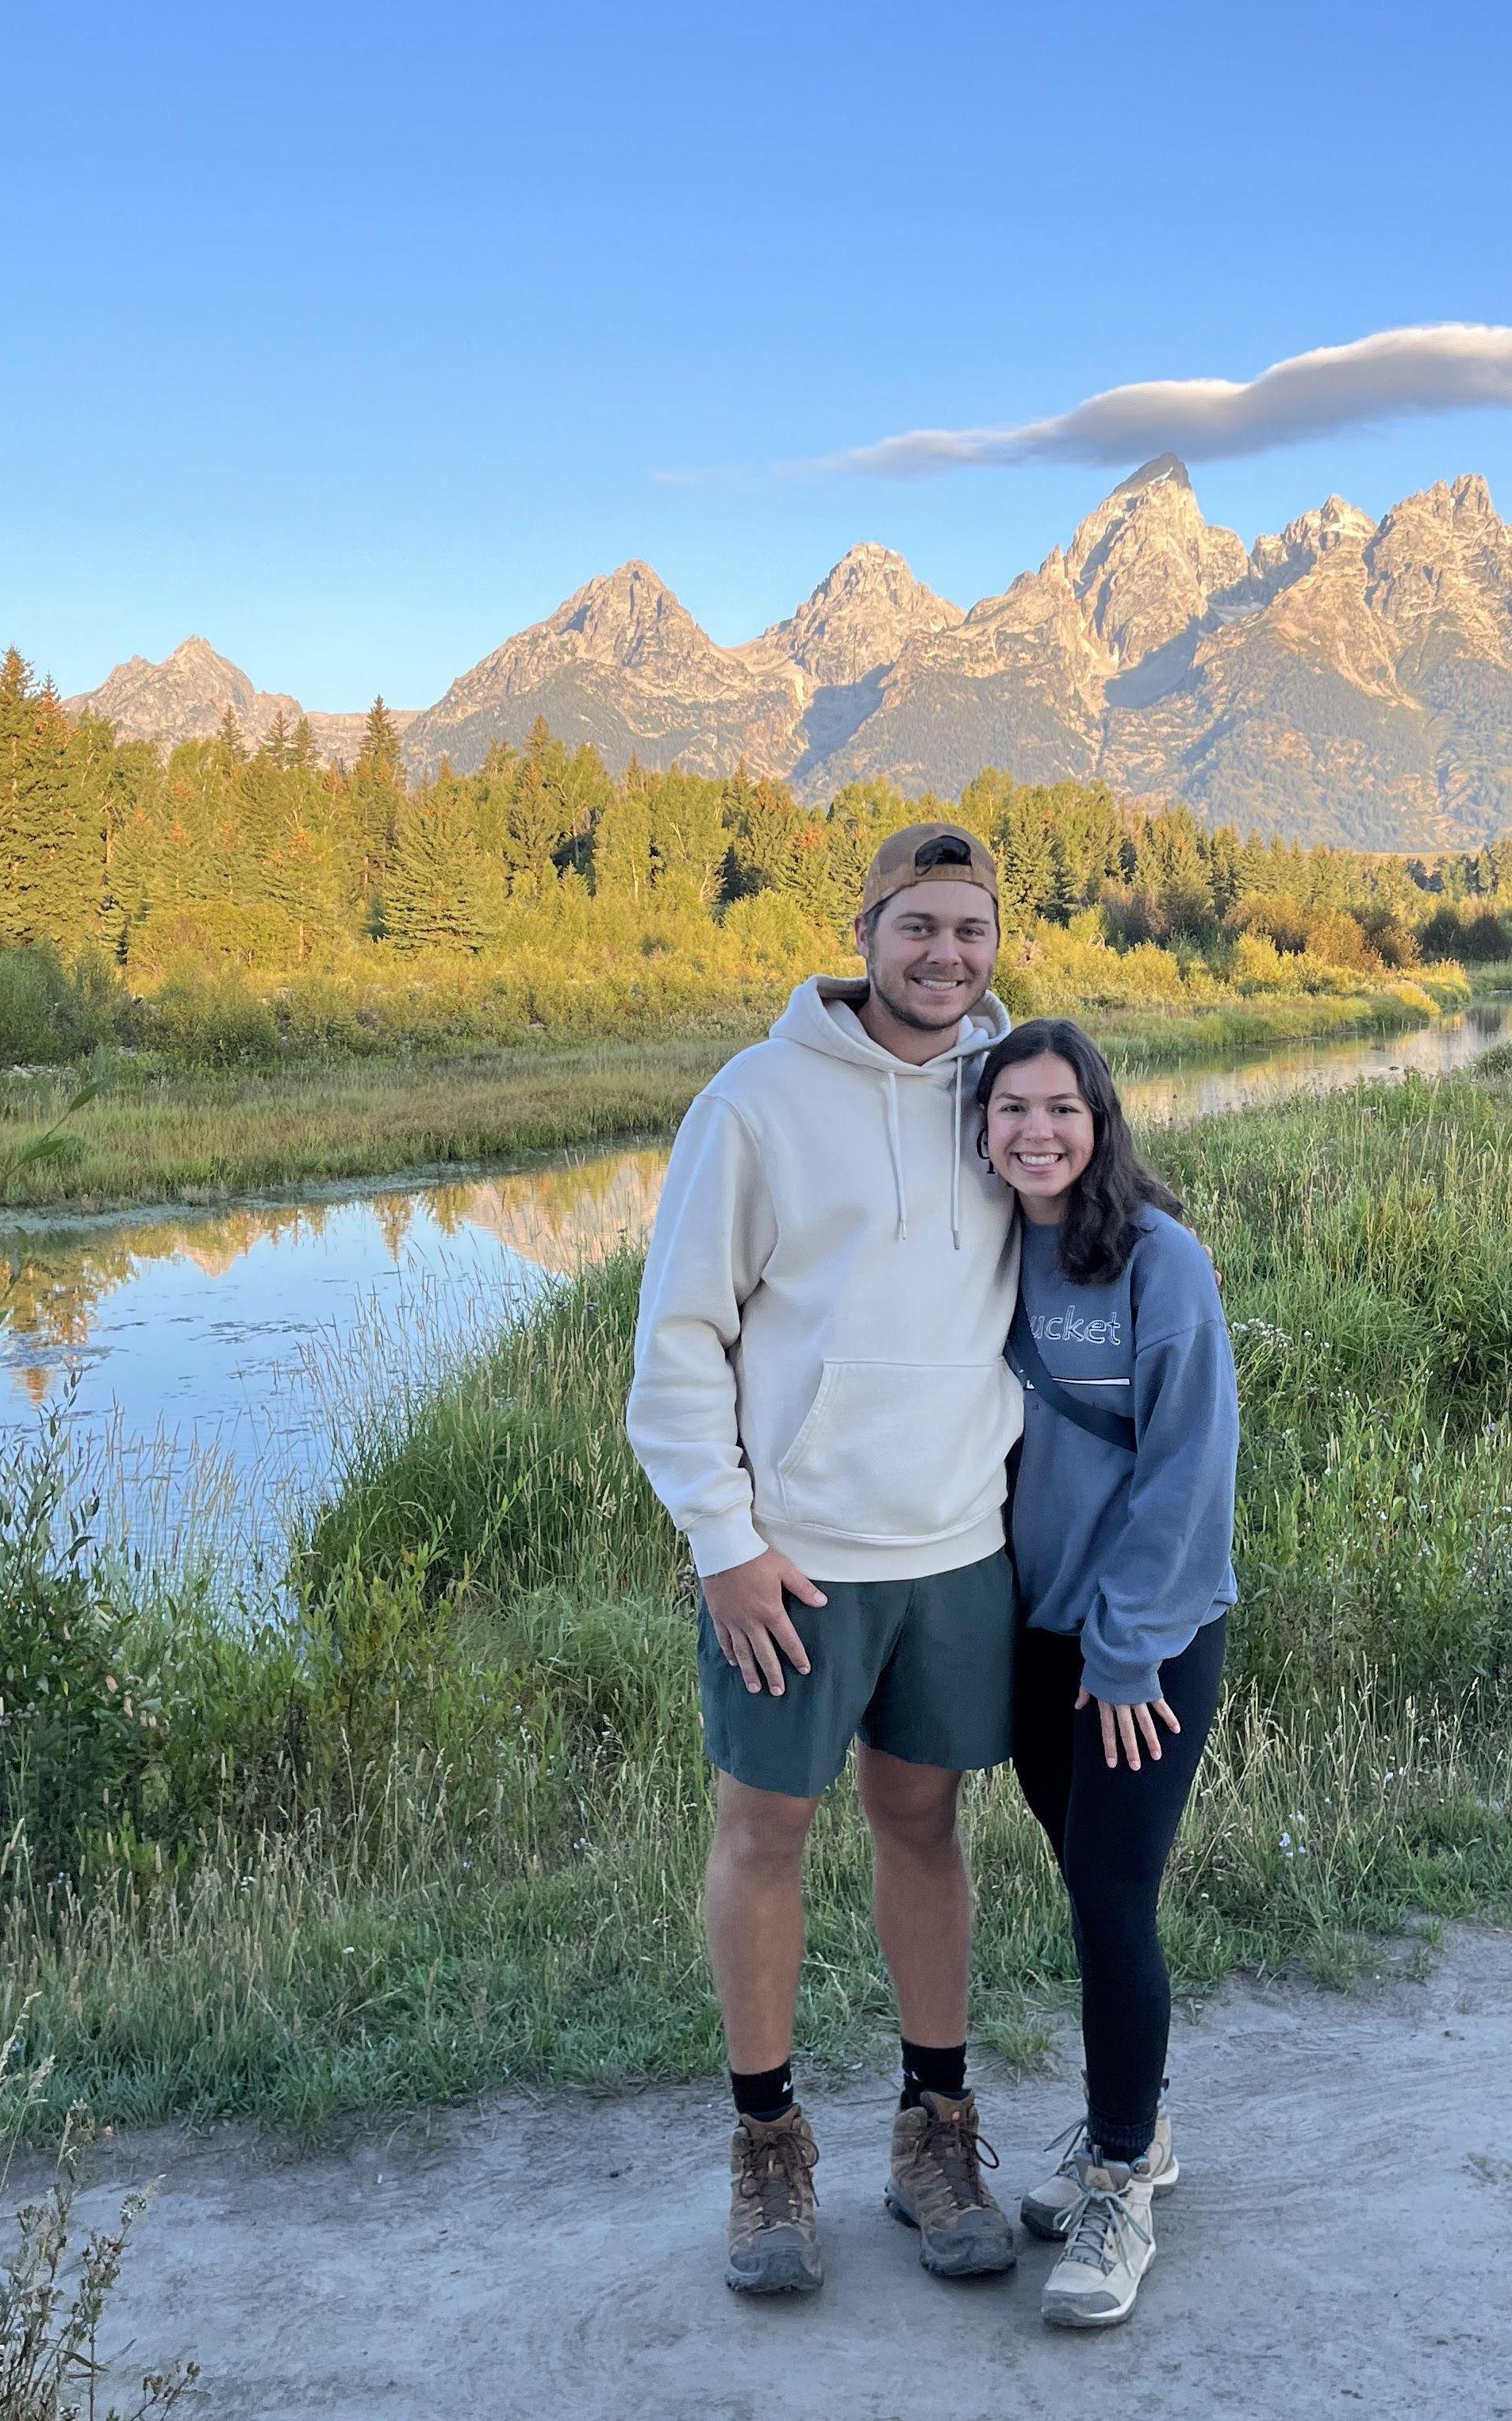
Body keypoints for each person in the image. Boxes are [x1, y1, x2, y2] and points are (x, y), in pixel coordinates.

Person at [626, 823, 1027, 2298]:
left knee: (925, 1832)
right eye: (918, 926)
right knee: (765, 1839)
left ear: (995, 943)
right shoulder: (753, 1102)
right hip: (796, 1567)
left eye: (969, 930)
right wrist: (723, 1543)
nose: (944, 956)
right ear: (866, 932)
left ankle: (935, 2131)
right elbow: (678, 1342)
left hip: (958, 1550)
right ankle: (765, 2148)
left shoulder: (1009, 1090)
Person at [975, 1018, 1239, 2329]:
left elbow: (1188, 1468)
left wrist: (1127, 1652)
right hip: (1027, 1636)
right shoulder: (978, 1249)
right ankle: (1139, 2124)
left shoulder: (1156, 1258)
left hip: (1143, 1641)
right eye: (1010, 1107)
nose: (1035, 1131)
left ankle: (1122, 2176)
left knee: (1109, 1888)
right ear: (982, 1126)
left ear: (1101, 1119)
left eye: (1060, 1109)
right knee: (1080, 1872)